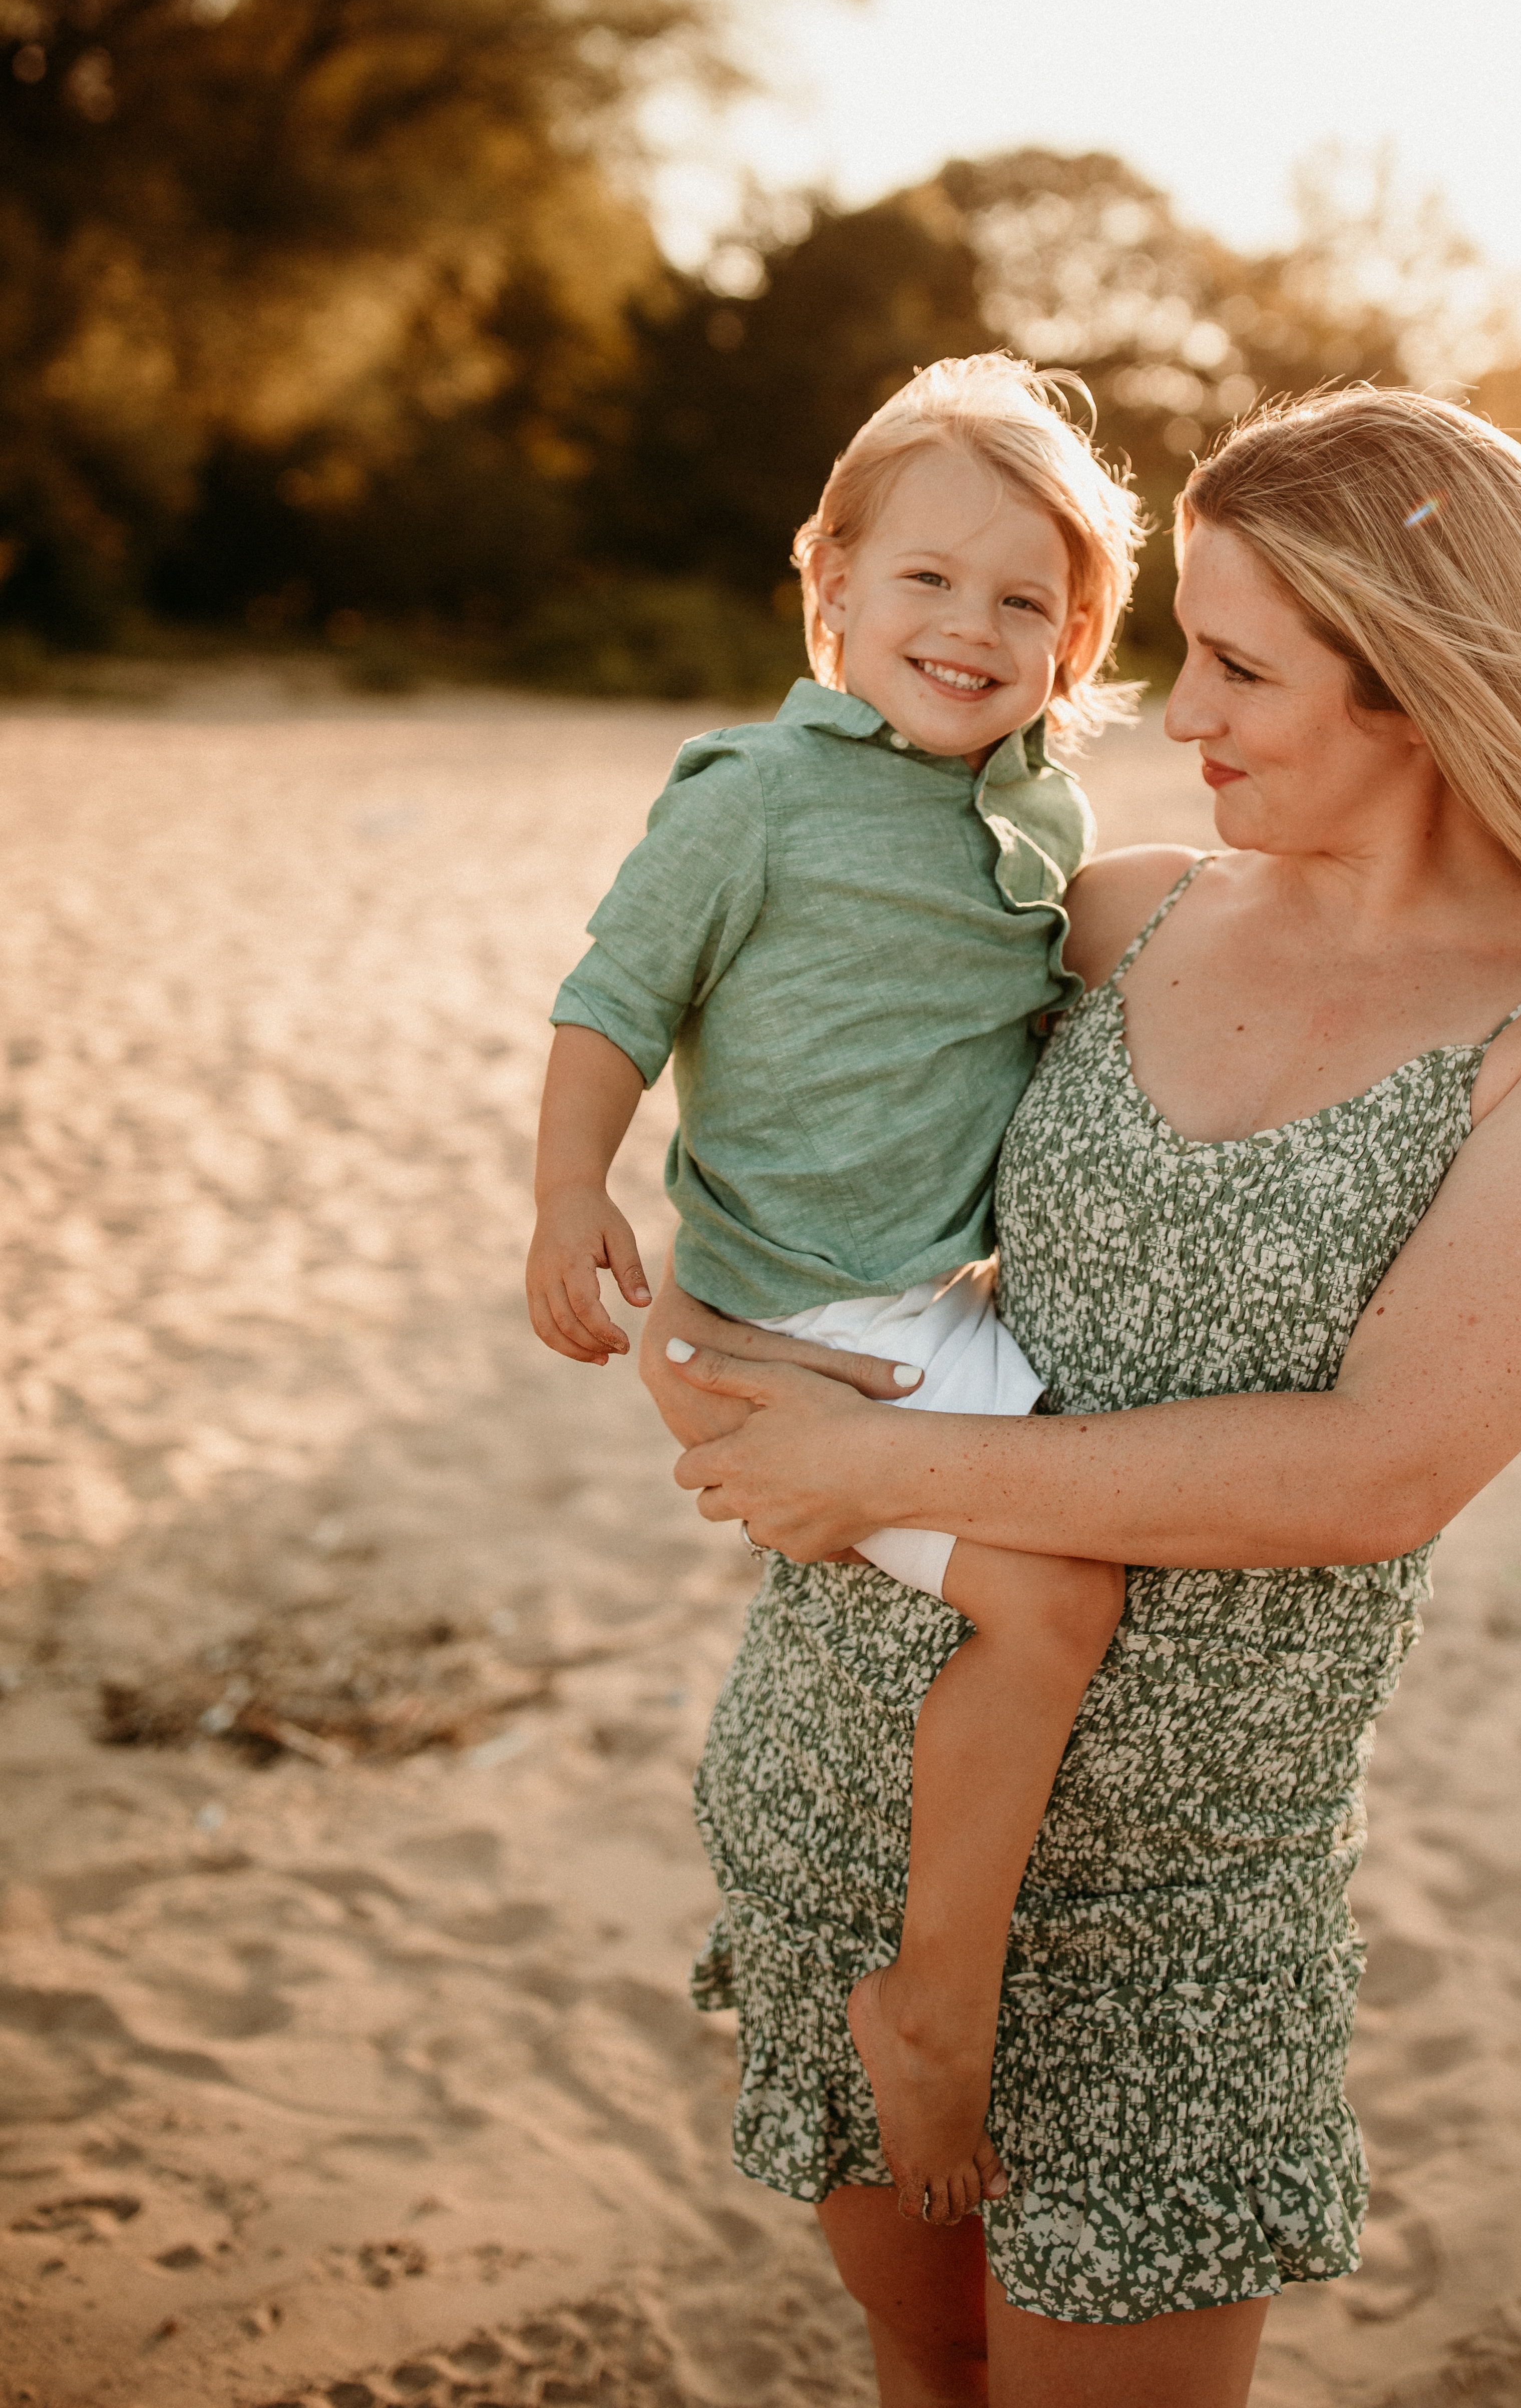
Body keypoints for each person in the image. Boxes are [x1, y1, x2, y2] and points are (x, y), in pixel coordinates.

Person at [661, 386, 1521, 2408]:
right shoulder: (1107, 915)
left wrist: (874, 1450)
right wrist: (694, 1312)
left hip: (1185, 1885)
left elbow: (1376, 1466)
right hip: (846, 1776)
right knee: (922, 2353)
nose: (1172, 710)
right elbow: (816, 1124)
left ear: (1417, 686)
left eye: (1235, 665)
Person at [526, 355, 1144, 2225]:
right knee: (1056, 1606)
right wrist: (569, 1194)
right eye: (928, 583)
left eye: (1026, 601)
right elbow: (613, 997)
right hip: (792, 1330)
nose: (972, 628)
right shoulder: (756, 798)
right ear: (834, 599)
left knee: (1104, 1532)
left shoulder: (1048, 837)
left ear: (1078, 642)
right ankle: (931, 2004)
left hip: (931, 1312)